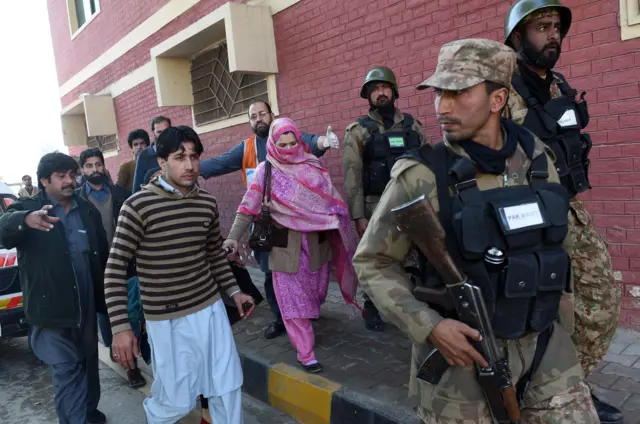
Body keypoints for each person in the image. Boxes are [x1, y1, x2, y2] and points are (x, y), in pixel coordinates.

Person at [353, 38, 599, 423]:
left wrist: (567, 328)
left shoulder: (538, 159)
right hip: (464, 359)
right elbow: (372, 262)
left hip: (546, 349)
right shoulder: (422, 174)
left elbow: (560, 247)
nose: (442, 107)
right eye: (439, 94)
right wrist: (430, 327)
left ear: (498, 99)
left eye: (458, 93)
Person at [502, 1, 622, 422]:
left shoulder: (558, 86)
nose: (553, 34)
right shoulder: (501, 90)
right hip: (524, 222)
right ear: (517, 37)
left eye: (556, 27)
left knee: (602, 301)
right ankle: (546, 398)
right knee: (545, 317)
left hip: (567, 210)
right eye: (541, 27)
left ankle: (575, 387)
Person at [105, 125, 255, 424]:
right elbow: (115, 268)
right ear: (162, 162)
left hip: (211, 311)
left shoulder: (206, 203)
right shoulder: (137, 207)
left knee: (227, 386)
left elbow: (214, 255)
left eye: (194, 157)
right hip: (166, 320)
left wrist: (235, 292)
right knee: (174, 401)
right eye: (179, 157)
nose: (189, 165)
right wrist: (121, 327)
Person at [223, 117, 359, 373]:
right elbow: (248, 206)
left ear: (299, 140)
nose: (287, 149)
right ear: (273, 144)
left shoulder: (314, 166)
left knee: (315, 295)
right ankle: (306, 353)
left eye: (292, 142)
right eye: (281, 144)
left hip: (316, 245)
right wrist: (232, 236)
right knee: (293, 302)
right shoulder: (267, 170)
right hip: (286, 247)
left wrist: (336, 217)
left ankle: (307, 323)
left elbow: (329, 201)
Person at [200, 100, 340, 341]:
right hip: (265, 224)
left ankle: (305, 311)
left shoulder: (287, 134)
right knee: (270, 273)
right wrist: (192, 168)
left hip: (300, 225)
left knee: (310, 271)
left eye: (262, 114)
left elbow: (311, 141)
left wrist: (324, 142)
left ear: (272, 115)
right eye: (253, 117)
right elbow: (219, 163)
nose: (258, 119)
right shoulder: (247, 149)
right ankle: (280, 318)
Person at [0, 152, 109, 424]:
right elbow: (3, 228)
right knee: (67, 367)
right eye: (61, 176)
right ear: (44, 180)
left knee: (87, 362)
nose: (69, 181)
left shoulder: (86, 210)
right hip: (50, 309)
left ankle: (89, 412)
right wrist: (24, 219)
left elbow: (102, 254)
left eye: (72, 175)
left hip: (85, 305)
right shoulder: (28, 208)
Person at [342, 66, 427, 332]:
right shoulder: (358, 131)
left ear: (394, 91)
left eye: (384, 88)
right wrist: (358, 216)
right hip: (375, 205)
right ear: (368, 95)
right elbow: (352, 175)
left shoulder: (413, 125)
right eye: (374, 90)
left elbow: (427, 164)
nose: (380, 93)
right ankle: (371, 306)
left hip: (411, 201)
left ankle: (412, 303)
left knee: (416, 255)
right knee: (377, 257)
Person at [76, 147, 147, 388]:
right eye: (89, 165)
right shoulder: (77, 201)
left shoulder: (121, 194)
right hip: (95, 270)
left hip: (126, 266)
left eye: (98, 164)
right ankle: (122, 356)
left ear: (104, 166)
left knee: (131, 315)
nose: (95, 169)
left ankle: (133, 366)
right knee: (107, 322)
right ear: (82, 169)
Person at [132, 116, 172, 193]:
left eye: (166, 131)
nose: (163, 135)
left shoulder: (178, 150)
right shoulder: (144, 155)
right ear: (153, 132)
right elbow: (137, 188)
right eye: (159, 132)